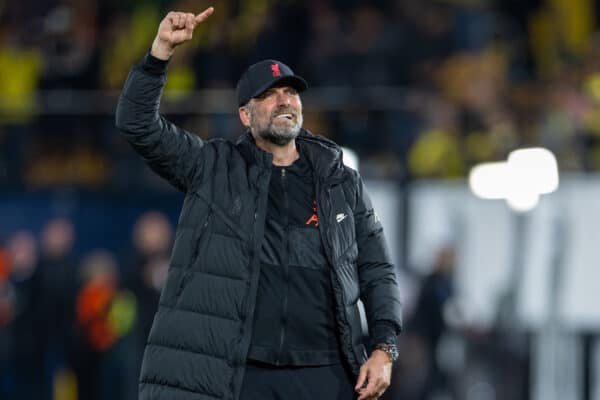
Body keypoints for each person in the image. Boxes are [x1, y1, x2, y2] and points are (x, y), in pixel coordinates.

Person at [115, 7, 402, 400]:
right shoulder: (212, 168)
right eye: (268, 95)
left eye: (290, 92)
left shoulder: (340, 180)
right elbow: (136, 123)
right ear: (245, 116)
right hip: (243, 376)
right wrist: (160, 52)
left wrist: (385, 348)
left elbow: (377, 269)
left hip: (327, 375)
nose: (284, 100)